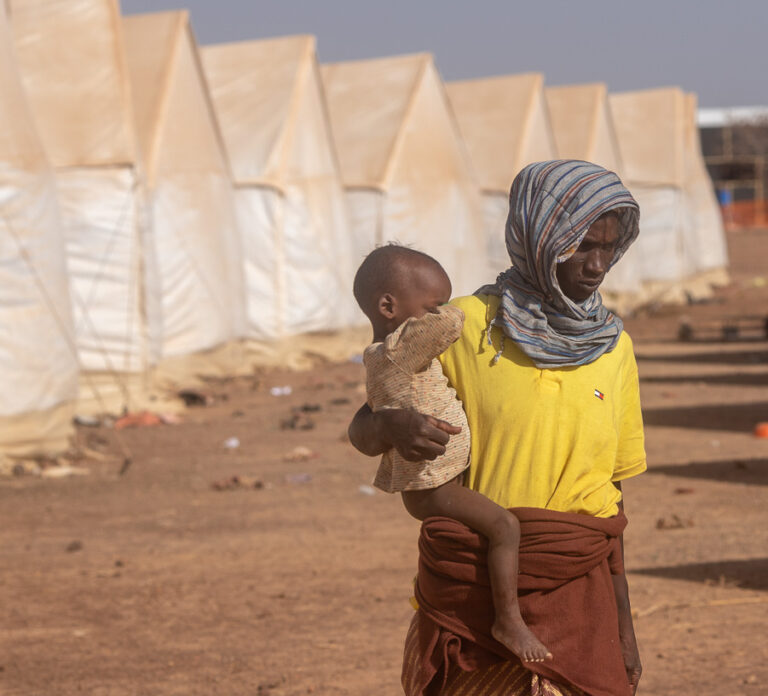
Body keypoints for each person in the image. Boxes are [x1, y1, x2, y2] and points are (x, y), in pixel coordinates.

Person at [348, 160, 646, 696]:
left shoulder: (613, 347)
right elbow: (369, 421)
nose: (598, 264)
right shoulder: (459, 326)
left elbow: (613, 498)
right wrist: (392, 426)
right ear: (538, 236)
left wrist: (624, 627)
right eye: (581, 246)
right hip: (475, 592)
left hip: (579, 586)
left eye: (609, 248)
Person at [353, 244, 552, 664]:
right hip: (433, 486)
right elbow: (454, 322)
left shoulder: (386, 352)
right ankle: (509, 621)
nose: (440, 310)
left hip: (437, 480)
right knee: (505, 526)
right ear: (388, 306)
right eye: (431, 305)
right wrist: (467, 303)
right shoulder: (400, 349)